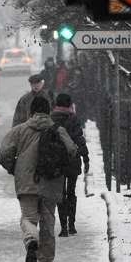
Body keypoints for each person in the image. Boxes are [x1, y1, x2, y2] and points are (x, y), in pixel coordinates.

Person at [0, 96, 77, 262]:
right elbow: (72, 150)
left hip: (27, 182)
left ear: (31, 112)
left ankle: (31, 240)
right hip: (50, 182)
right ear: (48, 111)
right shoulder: (58, 130)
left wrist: (14, 168)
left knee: (28, 218)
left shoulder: (20, 131)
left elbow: (4, 154)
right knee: (48, 223)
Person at [51, 93, 89, 236]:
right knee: (71, 193)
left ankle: (64, 227)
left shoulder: (52, 119)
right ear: (69, 105)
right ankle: (72, 224)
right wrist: (86, 158)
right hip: (72, 159)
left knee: (60, 194)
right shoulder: (73, 119)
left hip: (57, 161)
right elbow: (80, 139)